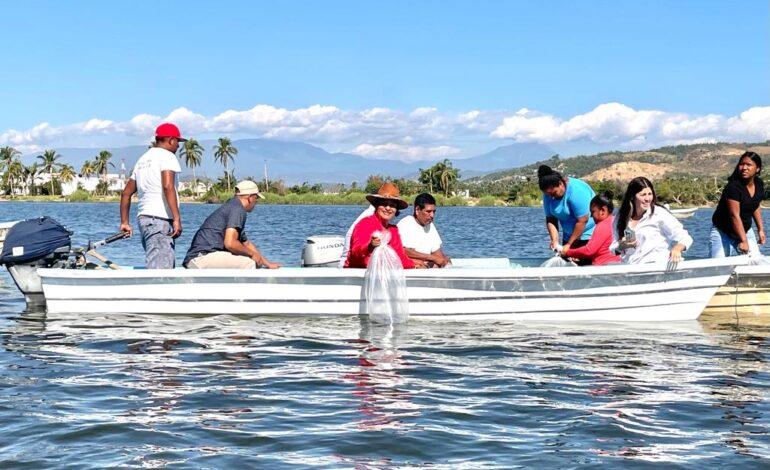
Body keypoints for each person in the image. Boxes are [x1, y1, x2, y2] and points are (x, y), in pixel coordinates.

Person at [119, 123, 185, 268]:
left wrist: (125, 222)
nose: (178, 146)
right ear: (170, 140)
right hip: (160, 220)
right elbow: (168, 186)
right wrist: (177, 218)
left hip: (144, 219)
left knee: (157, 263)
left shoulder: (143, 159)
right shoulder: (167, 156)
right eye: (178, 142)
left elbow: (126, 193)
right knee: (161, 271)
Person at [183, 181, 281, 269]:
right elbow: (230, 243)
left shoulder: (232, 206)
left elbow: (246, 243)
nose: (256, 202)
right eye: (256, 198)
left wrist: (267, 263)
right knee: (250, 263)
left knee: (254, 260)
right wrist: (252, 255)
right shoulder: (238, 209)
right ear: (250, 198)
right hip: (202, 257)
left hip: (201, 257)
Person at [611, 176, 693, 264]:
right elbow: (613, 249)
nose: (647, 199)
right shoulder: (621, 217)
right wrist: (623, 246)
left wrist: (677, 249)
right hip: (631, 270)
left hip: (656, 268)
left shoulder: (659, 214)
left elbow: (685, 238)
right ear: (632, 197)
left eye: (650, 194)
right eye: (643, 195)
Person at [344, 182, 416, 269]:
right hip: (359, 274)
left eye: (392, 205)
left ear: (396, 210)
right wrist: (370, 246)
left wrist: (414, 265)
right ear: (376, 206)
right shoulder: (365, 224)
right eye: (384, 204)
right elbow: (356, 252)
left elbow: (400, 257)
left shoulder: (393, 230)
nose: (388, 208)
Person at [709, 151, 765, 257]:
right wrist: (744, 241)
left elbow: (755, 205)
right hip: (723, 232)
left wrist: (760, 229)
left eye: (749, 165)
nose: (744, 167)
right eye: (741, 164)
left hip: (745, 229)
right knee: (718, 266)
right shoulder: (733, 187)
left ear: (757, 168)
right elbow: (734, 216)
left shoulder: (759, 184)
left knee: (755, 261)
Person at [538, 165, 596, 258]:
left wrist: (569, 245)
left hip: (590, 235)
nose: (551, 197)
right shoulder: (548, 195)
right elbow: (551, 219)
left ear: (561, 183)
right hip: (569, 236)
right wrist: (555, 240)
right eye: (547, 194)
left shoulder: (577, 191)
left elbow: (582, 221)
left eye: (553, 193)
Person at [565, 192, 621, 265]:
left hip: (604, 266)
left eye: (593, 212)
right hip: (617, 262)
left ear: (603, 210)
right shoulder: (615, 221)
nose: (591, 216)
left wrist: (568, 252)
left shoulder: (603, 225)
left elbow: (589, 250)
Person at [397, 193, 450, 268]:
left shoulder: (430, 225)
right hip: (412, 268)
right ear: (417, 210)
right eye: (428, 212)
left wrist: (444, 261)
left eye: (434, 212)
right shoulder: (406, 223)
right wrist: (433, 258)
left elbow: (437, 252)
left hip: (427, 265)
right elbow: (403, 251)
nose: (432, 215)